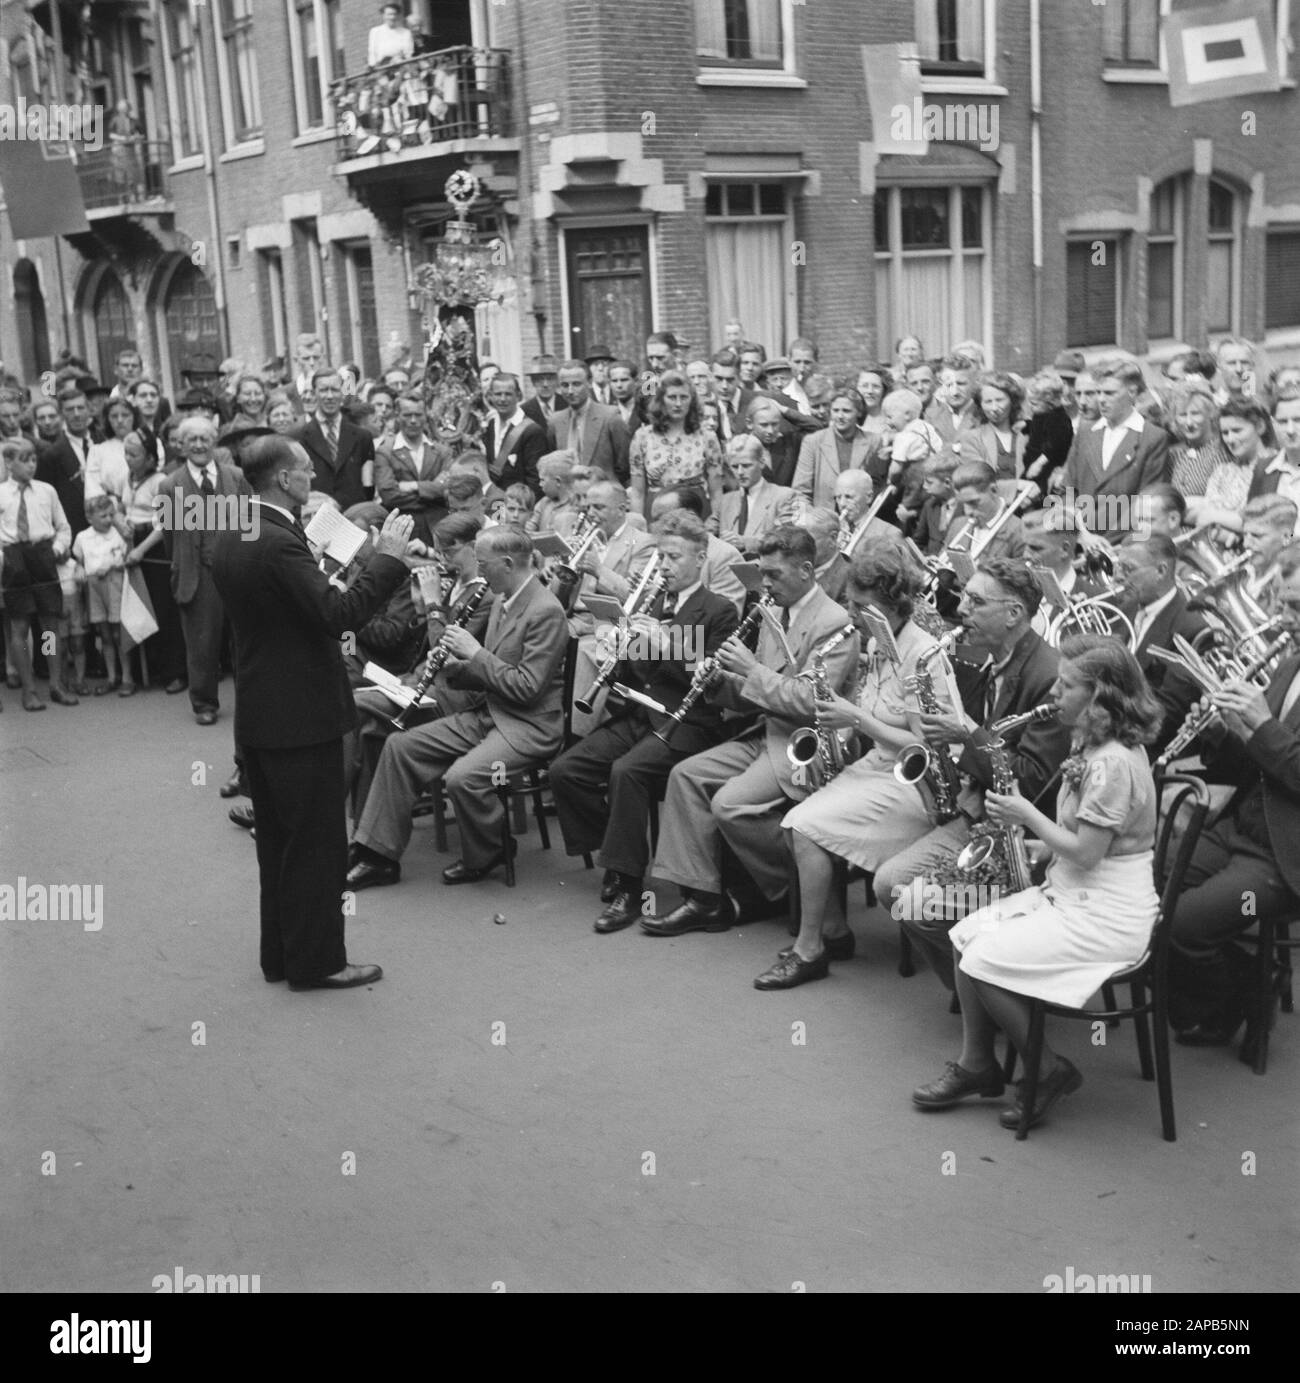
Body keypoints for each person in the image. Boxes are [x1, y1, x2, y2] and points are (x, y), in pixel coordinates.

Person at [912, 636, 1162, 1130]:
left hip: (1107, 914)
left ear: (1101, 697)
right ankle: (977, 1064)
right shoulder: (1090, 741)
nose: (1055, 692)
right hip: (1073, 891)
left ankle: (1049, 1069)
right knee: (966, 936)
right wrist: (1042, 846)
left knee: (983, 961)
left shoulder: (1113, 762)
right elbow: (1086, 838)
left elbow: (1090, 854)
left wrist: (1028, 815)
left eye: (1067, 686)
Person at [212, 434, 413, 989]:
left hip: (262, 711)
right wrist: (389, 561)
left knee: (278, 844)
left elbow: (283, 605)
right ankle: (318, 962)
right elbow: (338, 615)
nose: (310, 479)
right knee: (318, 846)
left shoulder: (239, 528)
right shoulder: (278, 541)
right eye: (304, 471)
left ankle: (281, 956)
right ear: (283, 479)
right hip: (301, 716)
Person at [642, 526, 860, 935]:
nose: (765, 584)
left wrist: (749, 669)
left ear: (807, 571)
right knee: (685, 775)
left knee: (729, 804)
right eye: (762, 573)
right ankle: (703, 897)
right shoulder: (773, 611)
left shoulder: (835, 622)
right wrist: (719, 683)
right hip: (768, 732)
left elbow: (811, 702)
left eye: (774, 575)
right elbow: (753, 694)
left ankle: (806, 875)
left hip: (807, 746)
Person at [770, 545, 960, 988]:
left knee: (801, 824)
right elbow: (872, 711)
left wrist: (857, 720)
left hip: (916, 782)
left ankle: (810, 947)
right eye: (851, 604)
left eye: (861, 606)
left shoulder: (922, 653)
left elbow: (925, 745)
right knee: (795, 818)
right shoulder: (879, 640)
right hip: (878, 764)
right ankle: (831, 932)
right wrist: (841, 733)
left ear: (893, 604)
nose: (851, 614)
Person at [549, 511, 740, 931]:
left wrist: (664, 644)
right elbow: (636, 669)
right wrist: (617, 651)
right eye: (661, 557)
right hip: (640, 711)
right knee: (566, 771)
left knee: (627, 773)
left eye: (674, 557)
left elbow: (711, 681)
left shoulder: (720, 610)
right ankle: (617, 856)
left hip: (688, 720)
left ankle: (629, 888)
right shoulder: (651, 603)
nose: (665, 566)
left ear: (701, 558)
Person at [346, 527, 568, 889]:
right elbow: (491, 672)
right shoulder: (503, 597)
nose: (479, 571)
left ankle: (493, 849)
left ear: (508, 564)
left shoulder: (546, 611)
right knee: (399, 747)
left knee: (462, 778)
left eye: (484, 564)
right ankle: (376, 854)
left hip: (528, 725)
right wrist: (454, 668)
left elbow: (527, 687)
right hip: (488, 713)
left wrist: (474, 653)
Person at [155, 415, 248, 721]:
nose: (198, 445)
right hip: (198, 574)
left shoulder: (236, 476)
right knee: (201, 643)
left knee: (245, 639)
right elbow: (169, 537)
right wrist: (185, 563)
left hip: (236, 571)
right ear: (181, 445)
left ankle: (252, 701)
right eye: (191, 439)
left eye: (204, 438)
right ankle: (204, 704)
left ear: (214, 441)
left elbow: (250, 525)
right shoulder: (169, 485)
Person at [0, 438, 76, 710]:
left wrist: (57, 547)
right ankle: (29, 689)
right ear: (8, 462)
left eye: (34, 459)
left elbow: (64, 527)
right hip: (13, 560)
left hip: (43, 556)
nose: (32, 465)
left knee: (49, 627)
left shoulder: (47, 491)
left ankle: (56, 684)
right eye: (24, 459)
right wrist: (4, 559)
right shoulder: (1, 494)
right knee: (19, 628)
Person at [1061, 359, 1171, 541]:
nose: (1101, 400)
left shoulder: (1152, 438)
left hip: (1122, 543)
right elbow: (1068, 490)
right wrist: (1082, 536)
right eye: (1098, 392)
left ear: (1132, 392)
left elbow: (1145, 504)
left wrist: (1103, 542)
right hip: (1078, 540)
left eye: (1110, 393)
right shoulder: (1086, 432)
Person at [629, 370, 723, 519]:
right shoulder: (642, 437)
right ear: (661, 399)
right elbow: (638, 492)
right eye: (672, 397)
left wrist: (716, 520)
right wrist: (637, 528)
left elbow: (716, 490)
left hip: (694, 510)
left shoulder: (707, 437)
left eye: (684, 397)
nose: (678, 403)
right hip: (657, 511)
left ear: (691, 400)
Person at [73, 494, 131, 695]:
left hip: (114, 582)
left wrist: (112, 566)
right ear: (90, 518)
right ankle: (111, 676)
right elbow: (79, 562)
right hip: (94, 587)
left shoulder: (117, 534)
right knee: (105, 633)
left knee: (118, 633)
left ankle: (127, 677)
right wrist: (79, 570)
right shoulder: (82, 537)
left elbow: (125, 558)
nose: (108, 520)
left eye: (110, 515)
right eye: (103, 516)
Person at [295, 369, 374, 512]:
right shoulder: (298, 438)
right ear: (314, 393)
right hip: (316, 519)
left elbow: (368, 487)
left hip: (355, 519)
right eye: (324, 390)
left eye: (335, 390)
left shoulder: (363, 437)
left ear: (343, 392)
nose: (329, 396)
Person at [549, 358, 631, 484]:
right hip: (569, 498)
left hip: (603, 496)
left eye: (576, 384)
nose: (570, 391)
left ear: (589, 382)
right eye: (565, 385)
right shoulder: (556, 421)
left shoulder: (609, 416)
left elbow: (624, 464)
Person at [792, 387, 874, 511]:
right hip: (822, 520)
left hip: (861, 519)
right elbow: (800, 491)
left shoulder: (873, 441)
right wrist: (810, 520)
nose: (840, 416)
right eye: (836, 410)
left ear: (859, 412)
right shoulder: (813, 441)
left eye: (846, 411)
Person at [715, 434, 795, 555]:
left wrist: (746, 542)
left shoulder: (786, 496)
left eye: (746, 466)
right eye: (735, 467)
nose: (740, 472)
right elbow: (704, 534)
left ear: (762, 463)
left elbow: (792, 539)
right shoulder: (725, 501)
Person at [481, 373, 546, 496]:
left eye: (508, 394)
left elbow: (535, 481)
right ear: (490, 396)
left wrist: (523, 511)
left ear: (519, 396)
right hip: (496, 504)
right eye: (498, 394)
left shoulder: (532, 431)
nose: (502, 399)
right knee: (496, 516)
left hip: (519, 507)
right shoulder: (490, 425)